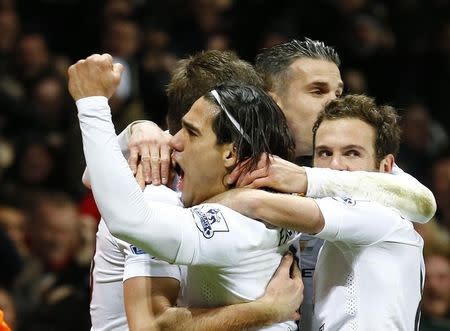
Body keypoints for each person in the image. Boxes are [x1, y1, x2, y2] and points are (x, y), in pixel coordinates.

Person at [123, 39, 436, 329]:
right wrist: (137, 129)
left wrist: (307, 178)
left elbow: (422, 202)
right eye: (317, 91)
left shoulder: (346, 173)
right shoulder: (181, 165)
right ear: (272, 102)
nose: (331, 104)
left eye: (337, 93)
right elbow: (150, 323)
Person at [70, 53, 303, 330]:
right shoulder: (156, 192)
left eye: (191, 132)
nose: (173, 141)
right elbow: (152, 325)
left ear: (232, 150)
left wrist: (93, 103)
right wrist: (267, 309)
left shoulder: (265, 206)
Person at [211, 94, 426, 330]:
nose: (334, 165)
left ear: (385, 167)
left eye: (352, 153)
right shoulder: (325, 229)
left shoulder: (380, 216)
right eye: (324, 153)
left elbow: (255, 204)